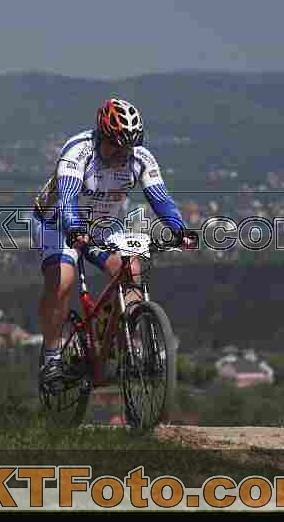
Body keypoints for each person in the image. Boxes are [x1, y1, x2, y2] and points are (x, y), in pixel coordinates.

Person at [33, 97, 194, 388]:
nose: (122, 153)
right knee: (63, 280)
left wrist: (179, 230)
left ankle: (122, 346)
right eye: (115, 146)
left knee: (131, 271)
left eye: (127, 147)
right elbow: (67, 199)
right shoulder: (79, 151)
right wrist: (74, 230)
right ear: (101, 135)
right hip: (57, 220)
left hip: (103, 226)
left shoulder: (141, 158)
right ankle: (52, 358)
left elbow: (161, 199)